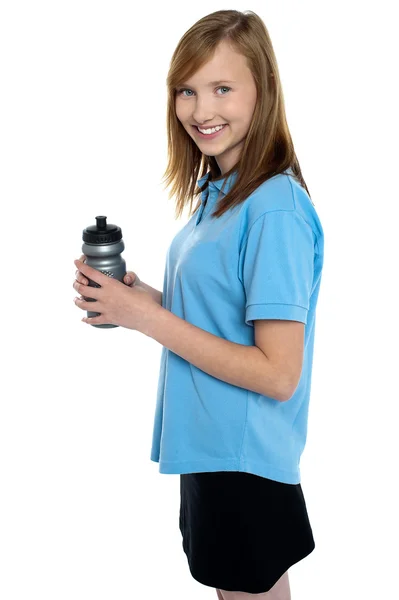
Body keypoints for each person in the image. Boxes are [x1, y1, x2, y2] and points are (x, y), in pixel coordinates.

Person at [74, 9, 324, 600]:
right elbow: (224, 319)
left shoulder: (275, 208)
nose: (201, 110)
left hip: (244, 461)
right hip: (213, 450)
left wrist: (148, 318)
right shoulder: (222, 196)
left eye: (222, 88)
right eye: (187, 90)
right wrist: (142, 301)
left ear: (262, 92)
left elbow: (278, 373)